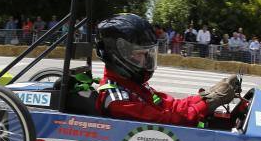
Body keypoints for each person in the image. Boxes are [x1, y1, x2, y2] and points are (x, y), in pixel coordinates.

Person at [95, 14, 238, 126]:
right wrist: (209, 103)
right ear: (118, 56)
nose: (146, 60)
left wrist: (206, 96)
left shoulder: (131, 85)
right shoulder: (118, 100)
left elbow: (171, 106)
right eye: (140, 54)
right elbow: (168, 122)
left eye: (147, 54)